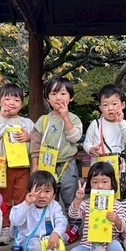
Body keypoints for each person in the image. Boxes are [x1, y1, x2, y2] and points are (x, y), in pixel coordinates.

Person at [10, 171, 78, 251]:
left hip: (48, 243)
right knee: (36, 243)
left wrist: (56, 233)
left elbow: (61, 221)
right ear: (29, 191)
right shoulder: (25, 206)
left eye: (47, 191)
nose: (42, 195)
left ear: (54, 195)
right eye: (37, 191)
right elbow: (16, 221)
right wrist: (27, 204)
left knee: (58, 240)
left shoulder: (54, 205)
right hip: (29, 245)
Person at [68, 162, 126, 251]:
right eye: (95, 182)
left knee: (116, 245)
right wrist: (78, 200)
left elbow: (124, 228)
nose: (100, 186)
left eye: (104, 182)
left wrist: (117, 220)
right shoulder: (86, 203)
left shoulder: (117, 205)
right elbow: (73, 215)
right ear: (90, 184)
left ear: (112, 184)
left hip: (108, 246)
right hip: (89, 246)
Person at [0, 83, 34, 245]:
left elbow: (36, 142)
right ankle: (5, 227)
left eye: (16, 99)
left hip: (22, 166)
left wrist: (29, 138)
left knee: (21, 196)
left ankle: (20, 227)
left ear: (22, 104)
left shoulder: (27, 123)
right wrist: (2, 117)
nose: (11, 103)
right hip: (2, 166)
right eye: (7, 99)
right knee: (4, 197)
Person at [30, 78, 83, 213]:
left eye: (63, 94)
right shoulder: (43, 120)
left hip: (67, 164)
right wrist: (35, 166)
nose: (58, 98)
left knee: (70, 197)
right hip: (46, 164)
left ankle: (73, 222)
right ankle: (50, 222)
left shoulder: (74, 118)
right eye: (53, 94)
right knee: (47, 197)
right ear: (48, 98)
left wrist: (65, 117)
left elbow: (74, 138)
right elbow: (35, 144)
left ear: (71, 97)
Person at [83, 84, 126, 166]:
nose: (110, 108)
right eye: (105, 105)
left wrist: (121, 122)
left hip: (118, 166)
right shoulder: (95, 124)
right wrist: (91, 149)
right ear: (100, 108)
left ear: (122, 105)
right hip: (99, 166)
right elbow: (86, 143)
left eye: (114, 104)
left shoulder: (125, 124)